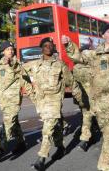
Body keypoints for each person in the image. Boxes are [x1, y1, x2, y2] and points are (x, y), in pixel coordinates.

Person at [62, 23, 109, 171]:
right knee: (108, 136)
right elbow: (77, 56)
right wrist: (68, 44)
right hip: (99, 105)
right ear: (103, 35)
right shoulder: (93, 54)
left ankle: (104, 167)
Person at [28, 37, 83, 171]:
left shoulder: (60, 65)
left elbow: (71, 81)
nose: (48, 47)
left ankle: (41, 159)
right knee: (56, 127)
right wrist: (30, 92)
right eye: (45, 45)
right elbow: (18, 73)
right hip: (41, 103)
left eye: (50, 45)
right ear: (41, 48)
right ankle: (61, 148)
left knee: (47, 130)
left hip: (54, 102)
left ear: (53, 48)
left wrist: (80, 98)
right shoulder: (34, 64)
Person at [0, 41, 35, 161]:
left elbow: (26, 80)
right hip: (4, 101)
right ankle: (21, 144)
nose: (11, 51)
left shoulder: (17, 65)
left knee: (8, 124)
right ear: (3, 51)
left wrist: (34, 96)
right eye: (8, 49)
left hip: (14, 100)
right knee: (14, 122)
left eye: (12, 49)